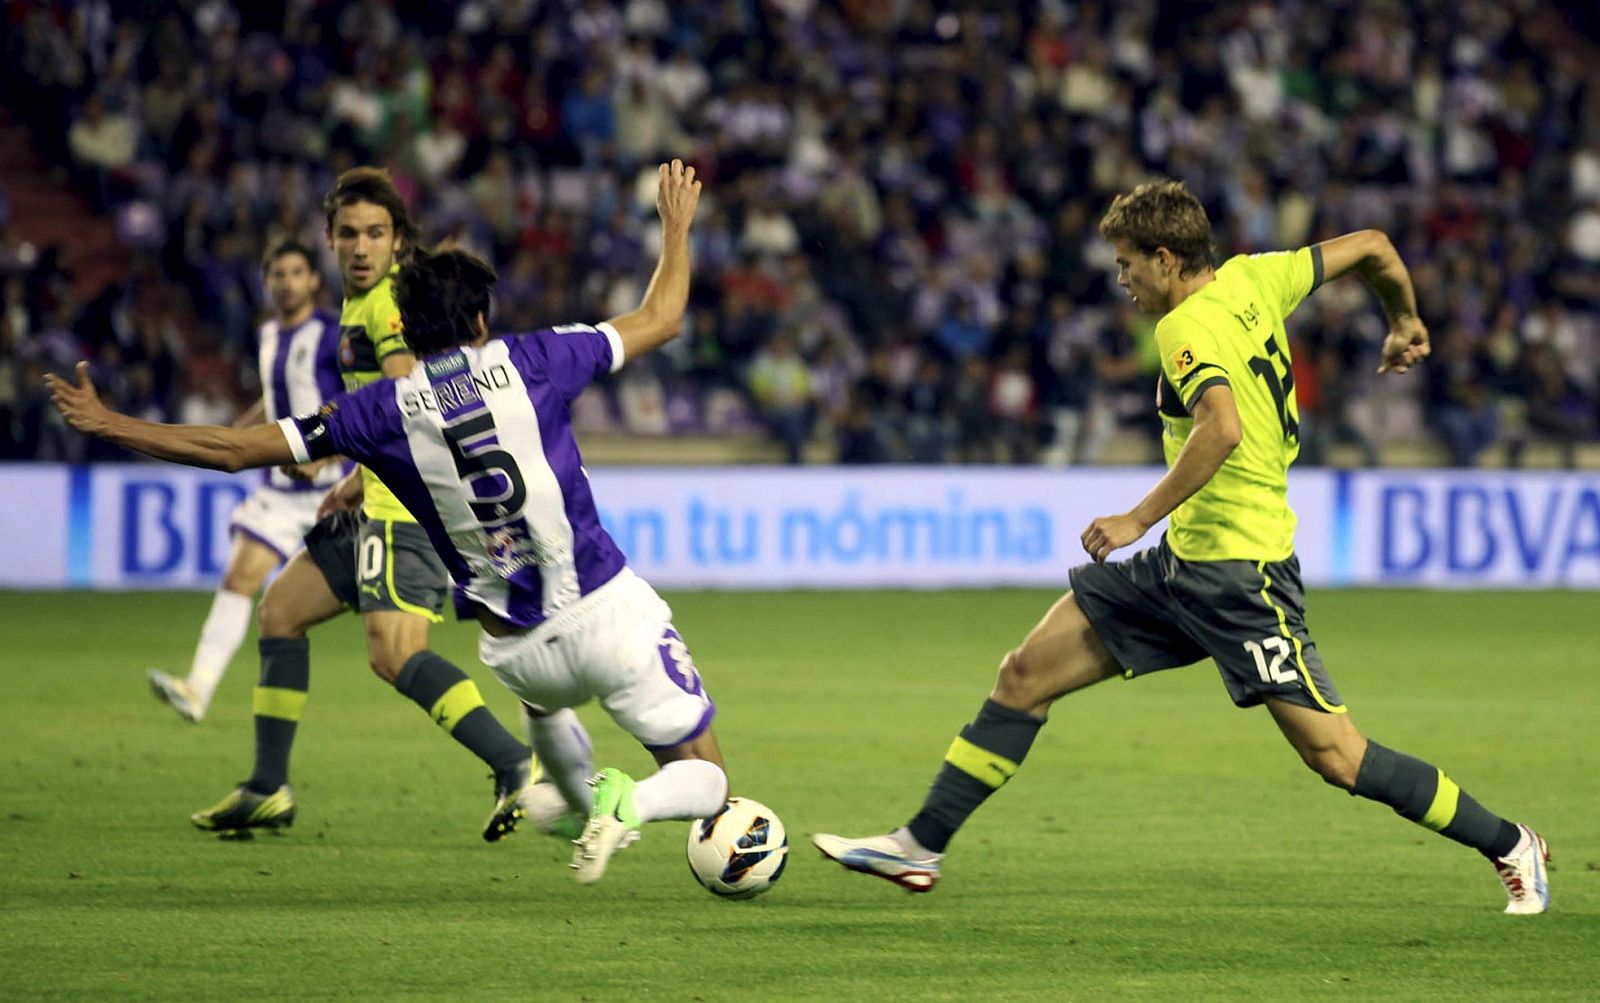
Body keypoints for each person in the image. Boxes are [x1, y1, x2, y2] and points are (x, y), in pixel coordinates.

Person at [812, 179, 1550, 916]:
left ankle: (1510, 840)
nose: (1123, 281)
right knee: (1024, 672)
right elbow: (1375, 247)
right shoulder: (1260, 274)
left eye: (1128, 265)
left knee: (1337, 757)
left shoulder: (1183, 327)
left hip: (1241, 575)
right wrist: (1405, 320)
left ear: (1166, 259)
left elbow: (1221, 428)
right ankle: (919, 845)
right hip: (1180, 569)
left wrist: (1137, 517)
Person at [48, 160, 723, 885]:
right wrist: (676, 225)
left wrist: (111, 423)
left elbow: (235, 449)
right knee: (708, 779)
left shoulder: (376, 412)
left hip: (522, 654)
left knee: (536, 737)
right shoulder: (536, 358)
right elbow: (663, 317)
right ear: (481, 321)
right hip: (603, 611)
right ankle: (630, 802)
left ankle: (560, 793)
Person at [186, 168, 534, 840]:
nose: (361, 247)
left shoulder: (386, 309)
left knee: (394, 652)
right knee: (281, 611)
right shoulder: (355, 304)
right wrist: (351, 479)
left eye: (376, 233)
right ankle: (267, 785)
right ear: (329, 239)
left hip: (406, 511)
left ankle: (513, 761)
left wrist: (351, 451)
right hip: (371, 498)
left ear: (398, 239)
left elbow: (412, 398)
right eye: (348, 233)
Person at [146, 240, 343, 723]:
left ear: (314, 280)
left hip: (333, 493)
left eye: (297, 272)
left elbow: (356, 402)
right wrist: (241, 432)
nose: (287, 281)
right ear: (267, 281)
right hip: (279, 493)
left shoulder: (333, 333)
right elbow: (277, 399)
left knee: (378, 625)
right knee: (238, 578)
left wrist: (324, 455)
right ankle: (197, 688)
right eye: (278, 273)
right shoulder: (270, 333)